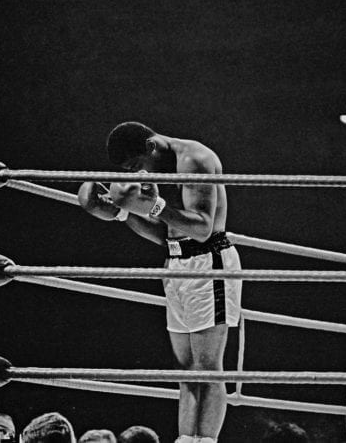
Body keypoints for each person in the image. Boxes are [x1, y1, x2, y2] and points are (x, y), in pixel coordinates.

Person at [78, 122, 242, 443]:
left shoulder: (193, 160)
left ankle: (206, 441)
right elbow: (164, 235)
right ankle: (185, 438)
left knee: (207, 367)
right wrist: (124, 213)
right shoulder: (155, 170)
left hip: (209, 263)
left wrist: (151, 205)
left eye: (137, 165)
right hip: (176, 264)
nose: (138, 173)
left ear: (151, 146)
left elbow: (202, 228)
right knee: (185, 369)